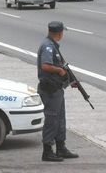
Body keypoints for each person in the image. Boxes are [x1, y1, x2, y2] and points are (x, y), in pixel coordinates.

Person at [37, 21, 78, 162]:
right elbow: (46, 66)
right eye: (62, 32)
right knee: (52, 119)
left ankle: (61, 148)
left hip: (57, 89)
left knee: (60, 119)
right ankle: (47, 151)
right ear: (59, 33)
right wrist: (60, 70)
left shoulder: (53, 45)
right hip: (50, 90)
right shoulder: (48, 46)